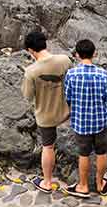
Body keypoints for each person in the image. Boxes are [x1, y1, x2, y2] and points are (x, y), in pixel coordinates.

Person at [21, 31, 72, 193]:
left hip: (46, 117)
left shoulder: (31, 71)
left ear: (30, 50)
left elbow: (28, 97)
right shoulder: (65, 60)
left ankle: (47, 182)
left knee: (48, 147)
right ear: (45, 43)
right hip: (67, 113)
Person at [63, 39, 107, 198]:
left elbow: (68, 97)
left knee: (83, 154)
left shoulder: (71, 74)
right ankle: (99, 184)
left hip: (81, 122)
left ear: (77, 55)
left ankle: (83, 186)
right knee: (101, 152)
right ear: (94, 53)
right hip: (101, 121)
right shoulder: (103, 74)